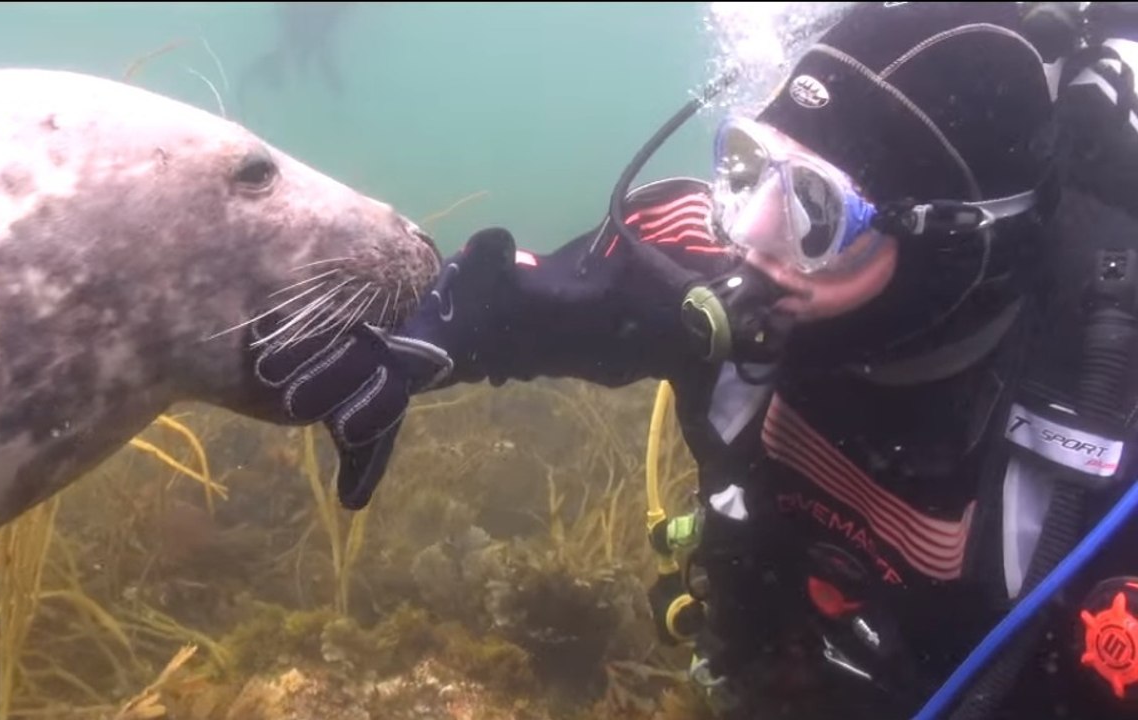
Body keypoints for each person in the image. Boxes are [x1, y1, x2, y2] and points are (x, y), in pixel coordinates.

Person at [251, 2, 1138, 718]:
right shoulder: (719, 258)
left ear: (952, 246)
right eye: (748, 167)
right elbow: (532, 292)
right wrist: (428, 327)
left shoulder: (1106, 401)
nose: (747, 237)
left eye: (814, 212)